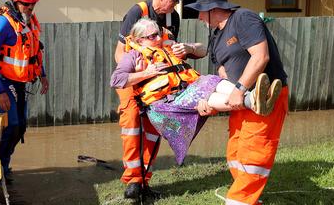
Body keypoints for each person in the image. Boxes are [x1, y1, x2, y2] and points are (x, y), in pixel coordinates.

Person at [186, 0, 289, 205]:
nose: (200, 18)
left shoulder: (243, 18)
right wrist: (217, 97)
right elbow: (221, 69)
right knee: (235, 154)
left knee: (253, 156)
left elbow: (260, 56)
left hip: (265, 96)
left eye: (202, 12)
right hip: (240, 99)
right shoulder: (216, 35)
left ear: (214, 10)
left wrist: (241, 88)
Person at [110, 18, 281, 165]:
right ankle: (252, 102)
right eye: (152, 36)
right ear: (140, 41)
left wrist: (188, 48)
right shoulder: (134, 56)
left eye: (158, 34)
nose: (158, 38)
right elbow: (116, 80)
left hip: (187, 90)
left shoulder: (167, 48)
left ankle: (252, 96)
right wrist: (146, 73)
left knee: (210, 80)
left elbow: (203, 50)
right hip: (166, 104)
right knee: (202, 94)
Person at [114, 0, 206, 199]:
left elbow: (169, 49)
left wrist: (185, 51)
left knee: (155, 126)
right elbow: (119, 54)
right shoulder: (137, 12)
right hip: (135, 77)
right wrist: (139, 75)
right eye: (173, 0)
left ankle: (145, 179)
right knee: (132, 122)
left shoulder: (172, 16)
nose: (175, 5)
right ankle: (133, 180)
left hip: (159, 80)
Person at [0, 0, 49, 181]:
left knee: (20, 127)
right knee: (9, 126)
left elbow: (34, 52)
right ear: (15, 0)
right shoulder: (2, 23)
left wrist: (42, 75)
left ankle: (4, 165)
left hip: (20, 83)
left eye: (33, 4)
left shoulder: (27, 21)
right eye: (26, 4)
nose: (30, 8)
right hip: (2, 82)